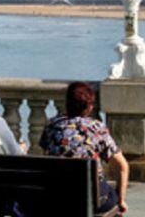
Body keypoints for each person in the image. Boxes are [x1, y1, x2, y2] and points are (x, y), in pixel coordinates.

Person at [39, 81, 129, 214]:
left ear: (67, 103)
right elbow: (123, 166)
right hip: (90, 198)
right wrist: (121, 200)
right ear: (90, 107)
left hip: (57, 196)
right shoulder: (97, 129)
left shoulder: (52, 126)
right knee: (111, 193)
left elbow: (46, 156)